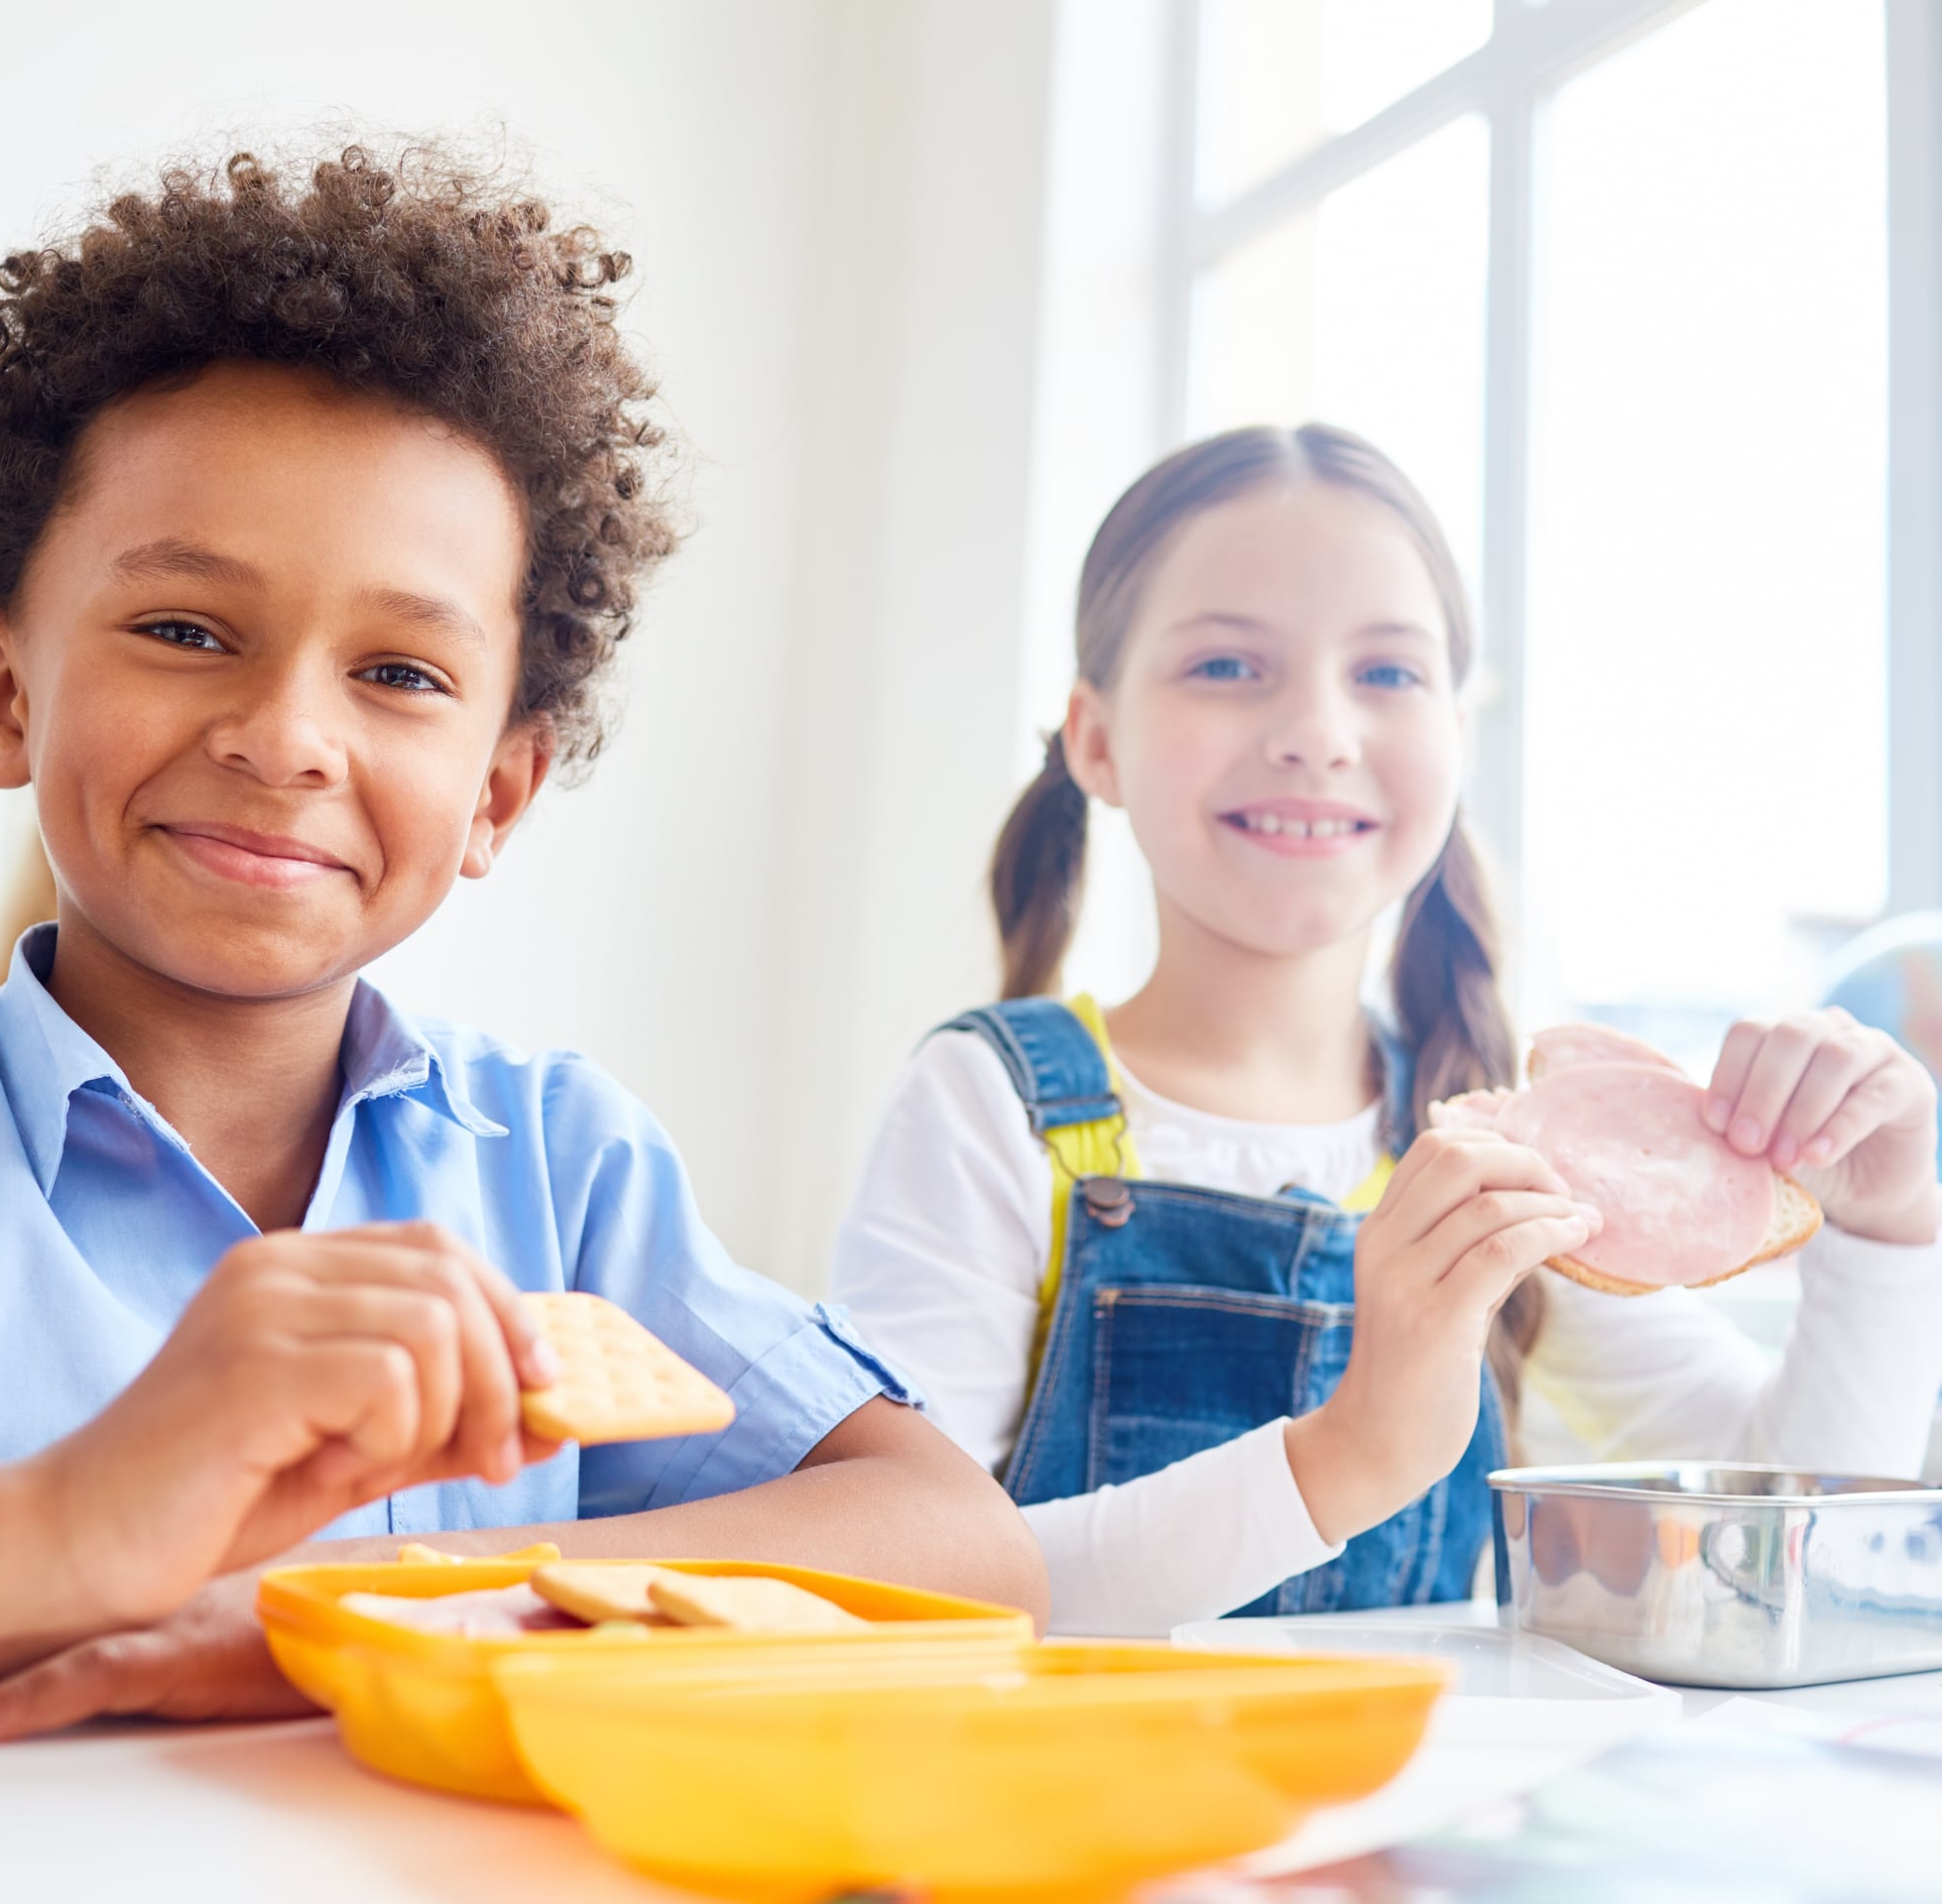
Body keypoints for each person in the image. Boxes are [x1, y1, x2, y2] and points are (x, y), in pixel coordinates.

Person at [0, 144, 1042, 1744]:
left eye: (400, 673)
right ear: (2, 691)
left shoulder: (561, 1171)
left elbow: (959, 1542)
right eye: (186, 632)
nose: (286, 739)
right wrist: (66, 1525)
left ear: (500, 791)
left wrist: (332, 1616)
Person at [830, 423, 1942, 1636]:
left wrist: (1887, 1228)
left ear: (1455, 738)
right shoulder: (990, 1103)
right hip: (1052, 1821)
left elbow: (1800, 1541)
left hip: (1387, 1818)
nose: (1317, 729)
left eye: (1387, 674)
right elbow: (899, 1584)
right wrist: (1348, 1454)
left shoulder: (1507, 1156)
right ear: (1094, 738)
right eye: (1224, 666)